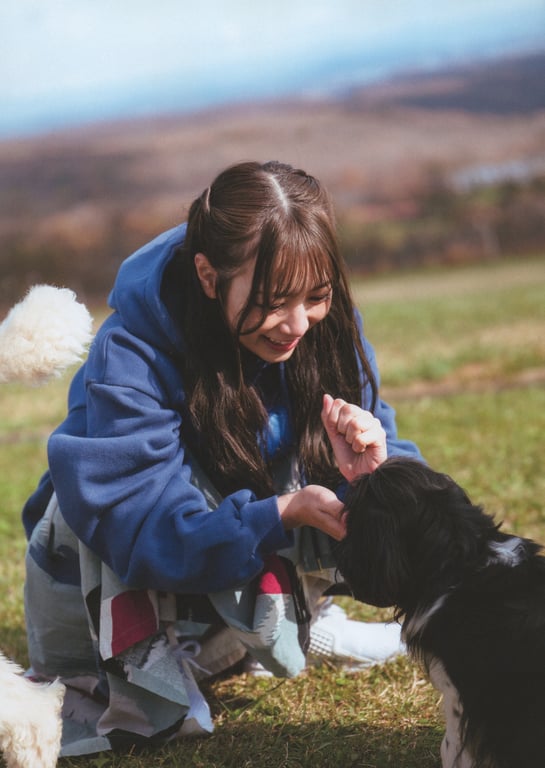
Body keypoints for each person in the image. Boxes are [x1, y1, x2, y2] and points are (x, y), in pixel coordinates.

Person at [22, 160, 422, 755]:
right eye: (274, 301)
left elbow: (387, 459)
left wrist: (373, 472)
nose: (297, 325)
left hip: (223, 587)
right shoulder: (130, 354)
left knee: (317, 461)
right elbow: (138, 526)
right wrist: (278, 513)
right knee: (91, 506)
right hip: (121, 589)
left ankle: (292, 630)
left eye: (316, 296)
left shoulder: (326, 330)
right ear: (208, 277)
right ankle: (146, 681)